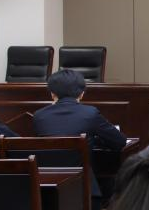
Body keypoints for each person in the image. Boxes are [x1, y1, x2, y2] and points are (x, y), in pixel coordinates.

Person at [33, 67, 127, 202]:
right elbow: (119, 141)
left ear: (52, 94)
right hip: (84, 190)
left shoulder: (39, 116)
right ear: (82, 94)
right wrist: (95, 139)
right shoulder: (90, 113)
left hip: (47, 192)